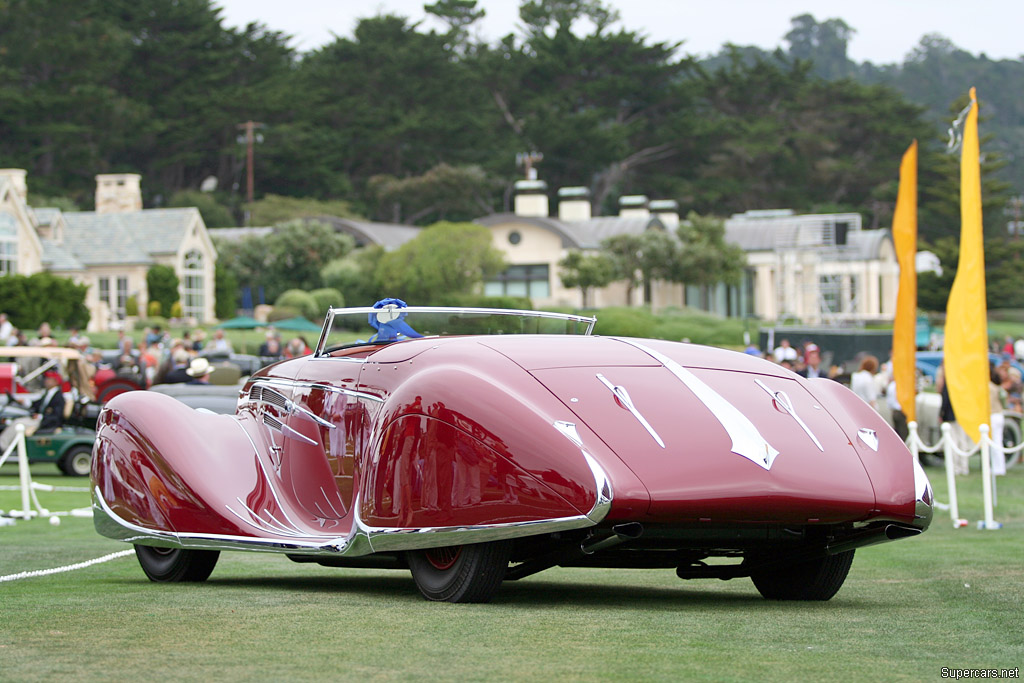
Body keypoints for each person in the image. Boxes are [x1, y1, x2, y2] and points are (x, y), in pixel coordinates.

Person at [0, 370, 65, 452]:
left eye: (48, 379)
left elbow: (56, 415)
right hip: (39, 419)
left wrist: (40, 417)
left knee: (17, 423)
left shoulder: (58, 397)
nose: (46, 381)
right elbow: (37, 404)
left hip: (45, 422)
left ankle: (3, 446)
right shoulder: (47, 393)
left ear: (55, 381)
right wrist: (23, 401)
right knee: (16, 421)